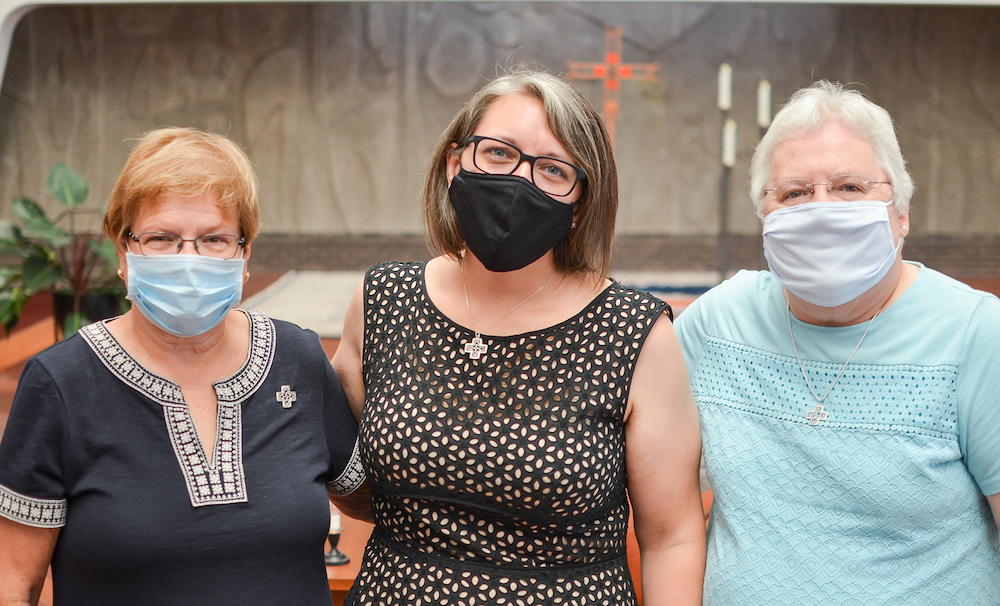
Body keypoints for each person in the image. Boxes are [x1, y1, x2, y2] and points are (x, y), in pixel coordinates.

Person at [332, 66, 705, 606]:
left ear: (580, 202)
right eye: (500, 154)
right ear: (455, 161)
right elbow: (353, 483)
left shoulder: (634, 332)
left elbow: (671, 537)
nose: (519, 182)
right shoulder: (383, 300)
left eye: (553, 169)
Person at [0, 128, 368, 606]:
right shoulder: (62, 383)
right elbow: (14, 583)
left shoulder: (296, 358)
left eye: (214, 238)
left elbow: (376, 503)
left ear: (244, 251)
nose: (188, 260)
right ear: (122, 251)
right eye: (161, 238)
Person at [675, 81, 1000, 604]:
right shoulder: (720, 321)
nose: (821, 210)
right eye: (795, 193)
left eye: (850, 188)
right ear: (764, 216)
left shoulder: (976, 333)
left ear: (901, 213)